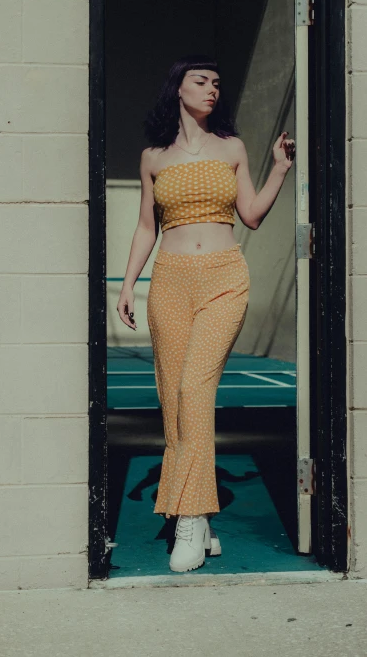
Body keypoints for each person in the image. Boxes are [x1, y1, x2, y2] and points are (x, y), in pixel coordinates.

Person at [116, 55, 295, 573]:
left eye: (218, 82)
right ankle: (197, 518)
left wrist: (280, 169)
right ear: (178, 89)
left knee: (195, 389)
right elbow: (147, 227)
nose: (212, 89)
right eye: (201, 81)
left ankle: (191, 519)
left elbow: (253, 217)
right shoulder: (153, 157)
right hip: (170, 281)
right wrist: (129, 284)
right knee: (174, 400)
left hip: (223, 278)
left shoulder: (232, 148)